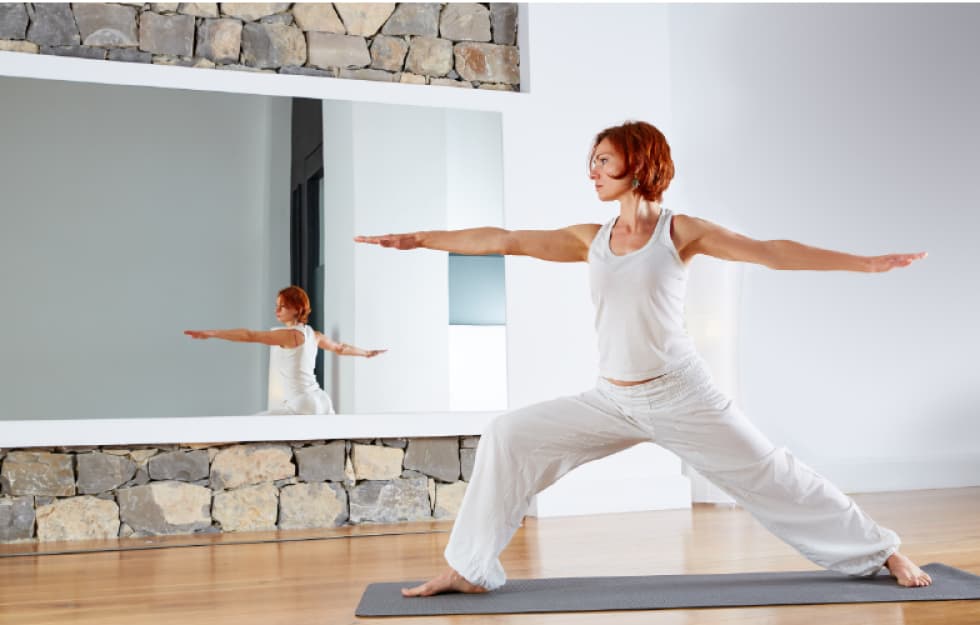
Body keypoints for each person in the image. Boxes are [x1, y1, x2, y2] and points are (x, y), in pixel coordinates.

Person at [355, 121, 932, 595]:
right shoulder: (591, 237)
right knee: (507, 434)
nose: (593, 172)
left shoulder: (681, 232)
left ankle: (883, 552)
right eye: (592, 161)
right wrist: (423, 238)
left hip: (681, 394)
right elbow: (506, 238)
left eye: (603, 161)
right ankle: (468, 568)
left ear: (638, 161)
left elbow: (770, 253)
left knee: (772, 475)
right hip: (612, 398)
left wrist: (865, 263)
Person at [184, 285, 385, 415]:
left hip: (302, 403)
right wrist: (365, 353)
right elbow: (340, 348)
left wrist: (212, 333)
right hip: (321, 400)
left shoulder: (290, 335)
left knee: (250, 425)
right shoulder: (313, 334)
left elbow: (250, 335)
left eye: (282, 307)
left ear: (297, 309)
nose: (276, 311)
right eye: (277, 306)